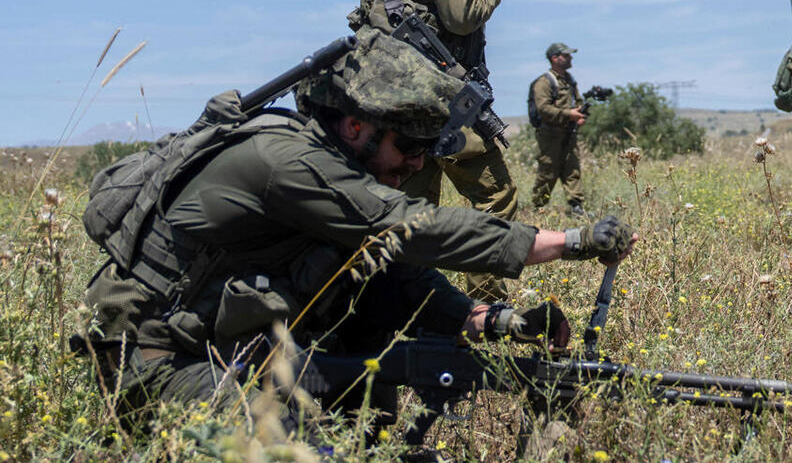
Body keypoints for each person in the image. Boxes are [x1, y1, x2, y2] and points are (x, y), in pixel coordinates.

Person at [77, 31, 632, 429]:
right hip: (158, 365)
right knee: (301, 445)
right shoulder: (285, 162)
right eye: (410, 147)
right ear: (355, 124)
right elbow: (405, 228)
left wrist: (488, 320)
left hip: (232, 352)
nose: (417, 165)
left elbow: (392, 274)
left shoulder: (328, 163)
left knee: (367, 400)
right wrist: (568, 242)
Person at [382, 0, 519, 302]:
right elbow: (461, 17)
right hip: (443, 101)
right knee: (495, 198)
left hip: (414, 100)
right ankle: (486, 314)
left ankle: (413, 313)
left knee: (415, 215)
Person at [528, 43, 587, 216]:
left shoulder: (570, 80)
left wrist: (579, 115)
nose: (571, 58)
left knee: (572, 169)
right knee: (548, 171)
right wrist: (569, 114)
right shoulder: (544, 82)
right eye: (566, 55)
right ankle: (538, 208)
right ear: (555, 58)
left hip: (569, 133)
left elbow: (578, 102)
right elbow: (543, 108)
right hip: (550, 134)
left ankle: (576, 207)